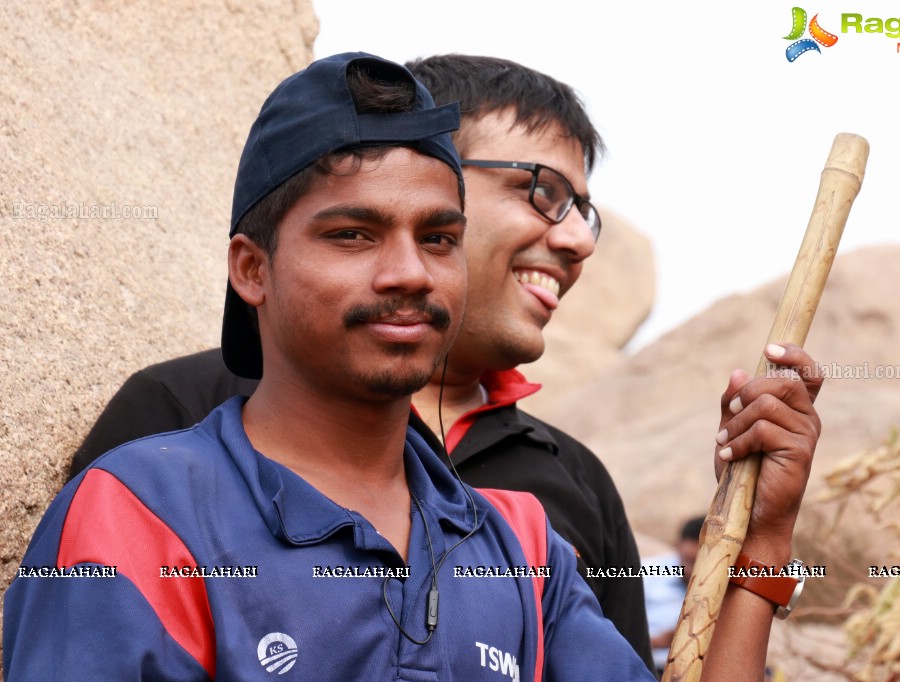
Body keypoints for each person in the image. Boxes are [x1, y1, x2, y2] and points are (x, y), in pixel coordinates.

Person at [29, 52, 826, 679]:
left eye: (437, 238)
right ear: (252, 269)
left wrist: (759, 545)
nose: (409, 272)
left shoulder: (525, 544)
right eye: (352, 234)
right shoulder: (142, 504)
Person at [645, 516, 703, 674]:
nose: (692, 571)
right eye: (689, 561)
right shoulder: (646, 575)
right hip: (647, 667)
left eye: (701, 563)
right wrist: (658, 642)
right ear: (677, 546)